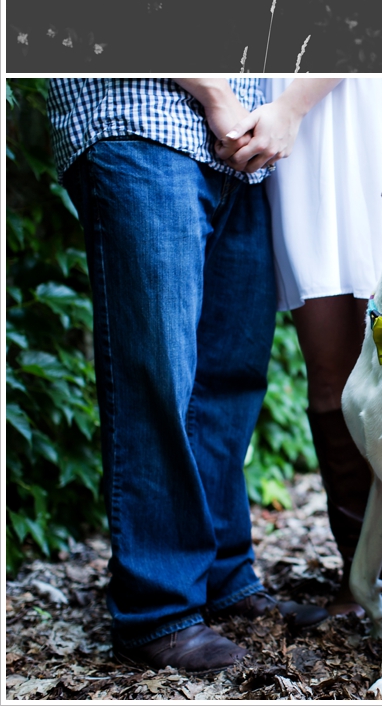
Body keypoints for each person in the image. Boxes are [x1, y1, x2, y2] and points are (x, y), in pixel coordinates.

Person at [46, 78, 328, 672]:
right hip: (142, 121)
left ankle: (224, 575)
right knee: (156, 378)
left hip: (242, 153)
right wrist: (212, 93)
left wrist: (275, 114)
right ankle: (159, 610)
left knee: (230, 377)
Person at [220, 77, 382, 621]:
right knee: (331, 376)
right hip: (297, 139)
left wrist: (291, 106)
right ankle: (361, 570)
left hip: (372, 103)